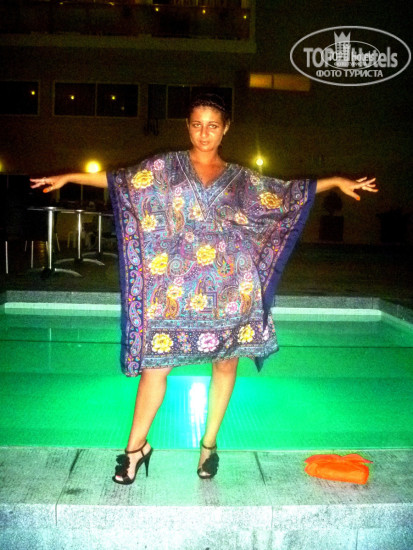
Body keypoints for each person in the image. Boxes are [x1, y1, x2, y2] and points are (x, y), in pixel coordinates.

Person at [30, 93, 377, 485]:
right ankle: (135, 448)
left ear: (225, 128)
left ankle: (208, 445)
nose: (204, 133)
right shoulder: (166, 167)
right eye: (196, 124)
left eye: (213, 125)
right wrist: (71, 177)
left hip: (230, 287)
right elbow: (122, 180)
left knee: (225, 363)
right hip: (175, 288)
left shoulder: (242, 179)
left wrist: (335, 182)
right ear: (187, 126)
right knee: (156, 365)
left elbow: (287, 193)